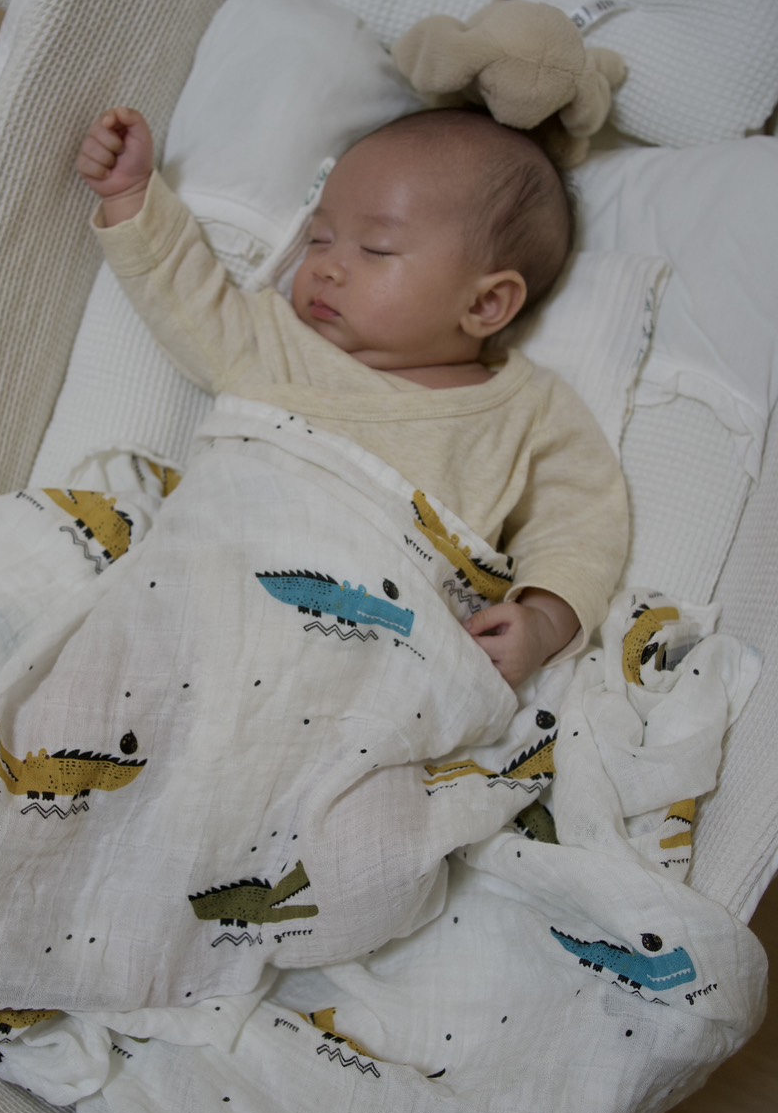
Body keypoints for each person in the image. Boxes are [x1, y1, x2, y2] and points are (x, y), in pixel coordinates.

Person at [76, 104, 627, 688]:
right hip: (214, 606)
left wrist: (544, 621)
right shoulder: (280, 345)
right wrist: (130, 195)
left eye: (377, 249)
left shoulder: (528, 411)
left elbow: (581, 521)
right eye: (320, 238)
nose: (326, 267)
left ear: (485, 303)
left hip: (377, 662)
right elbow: (185, 298)